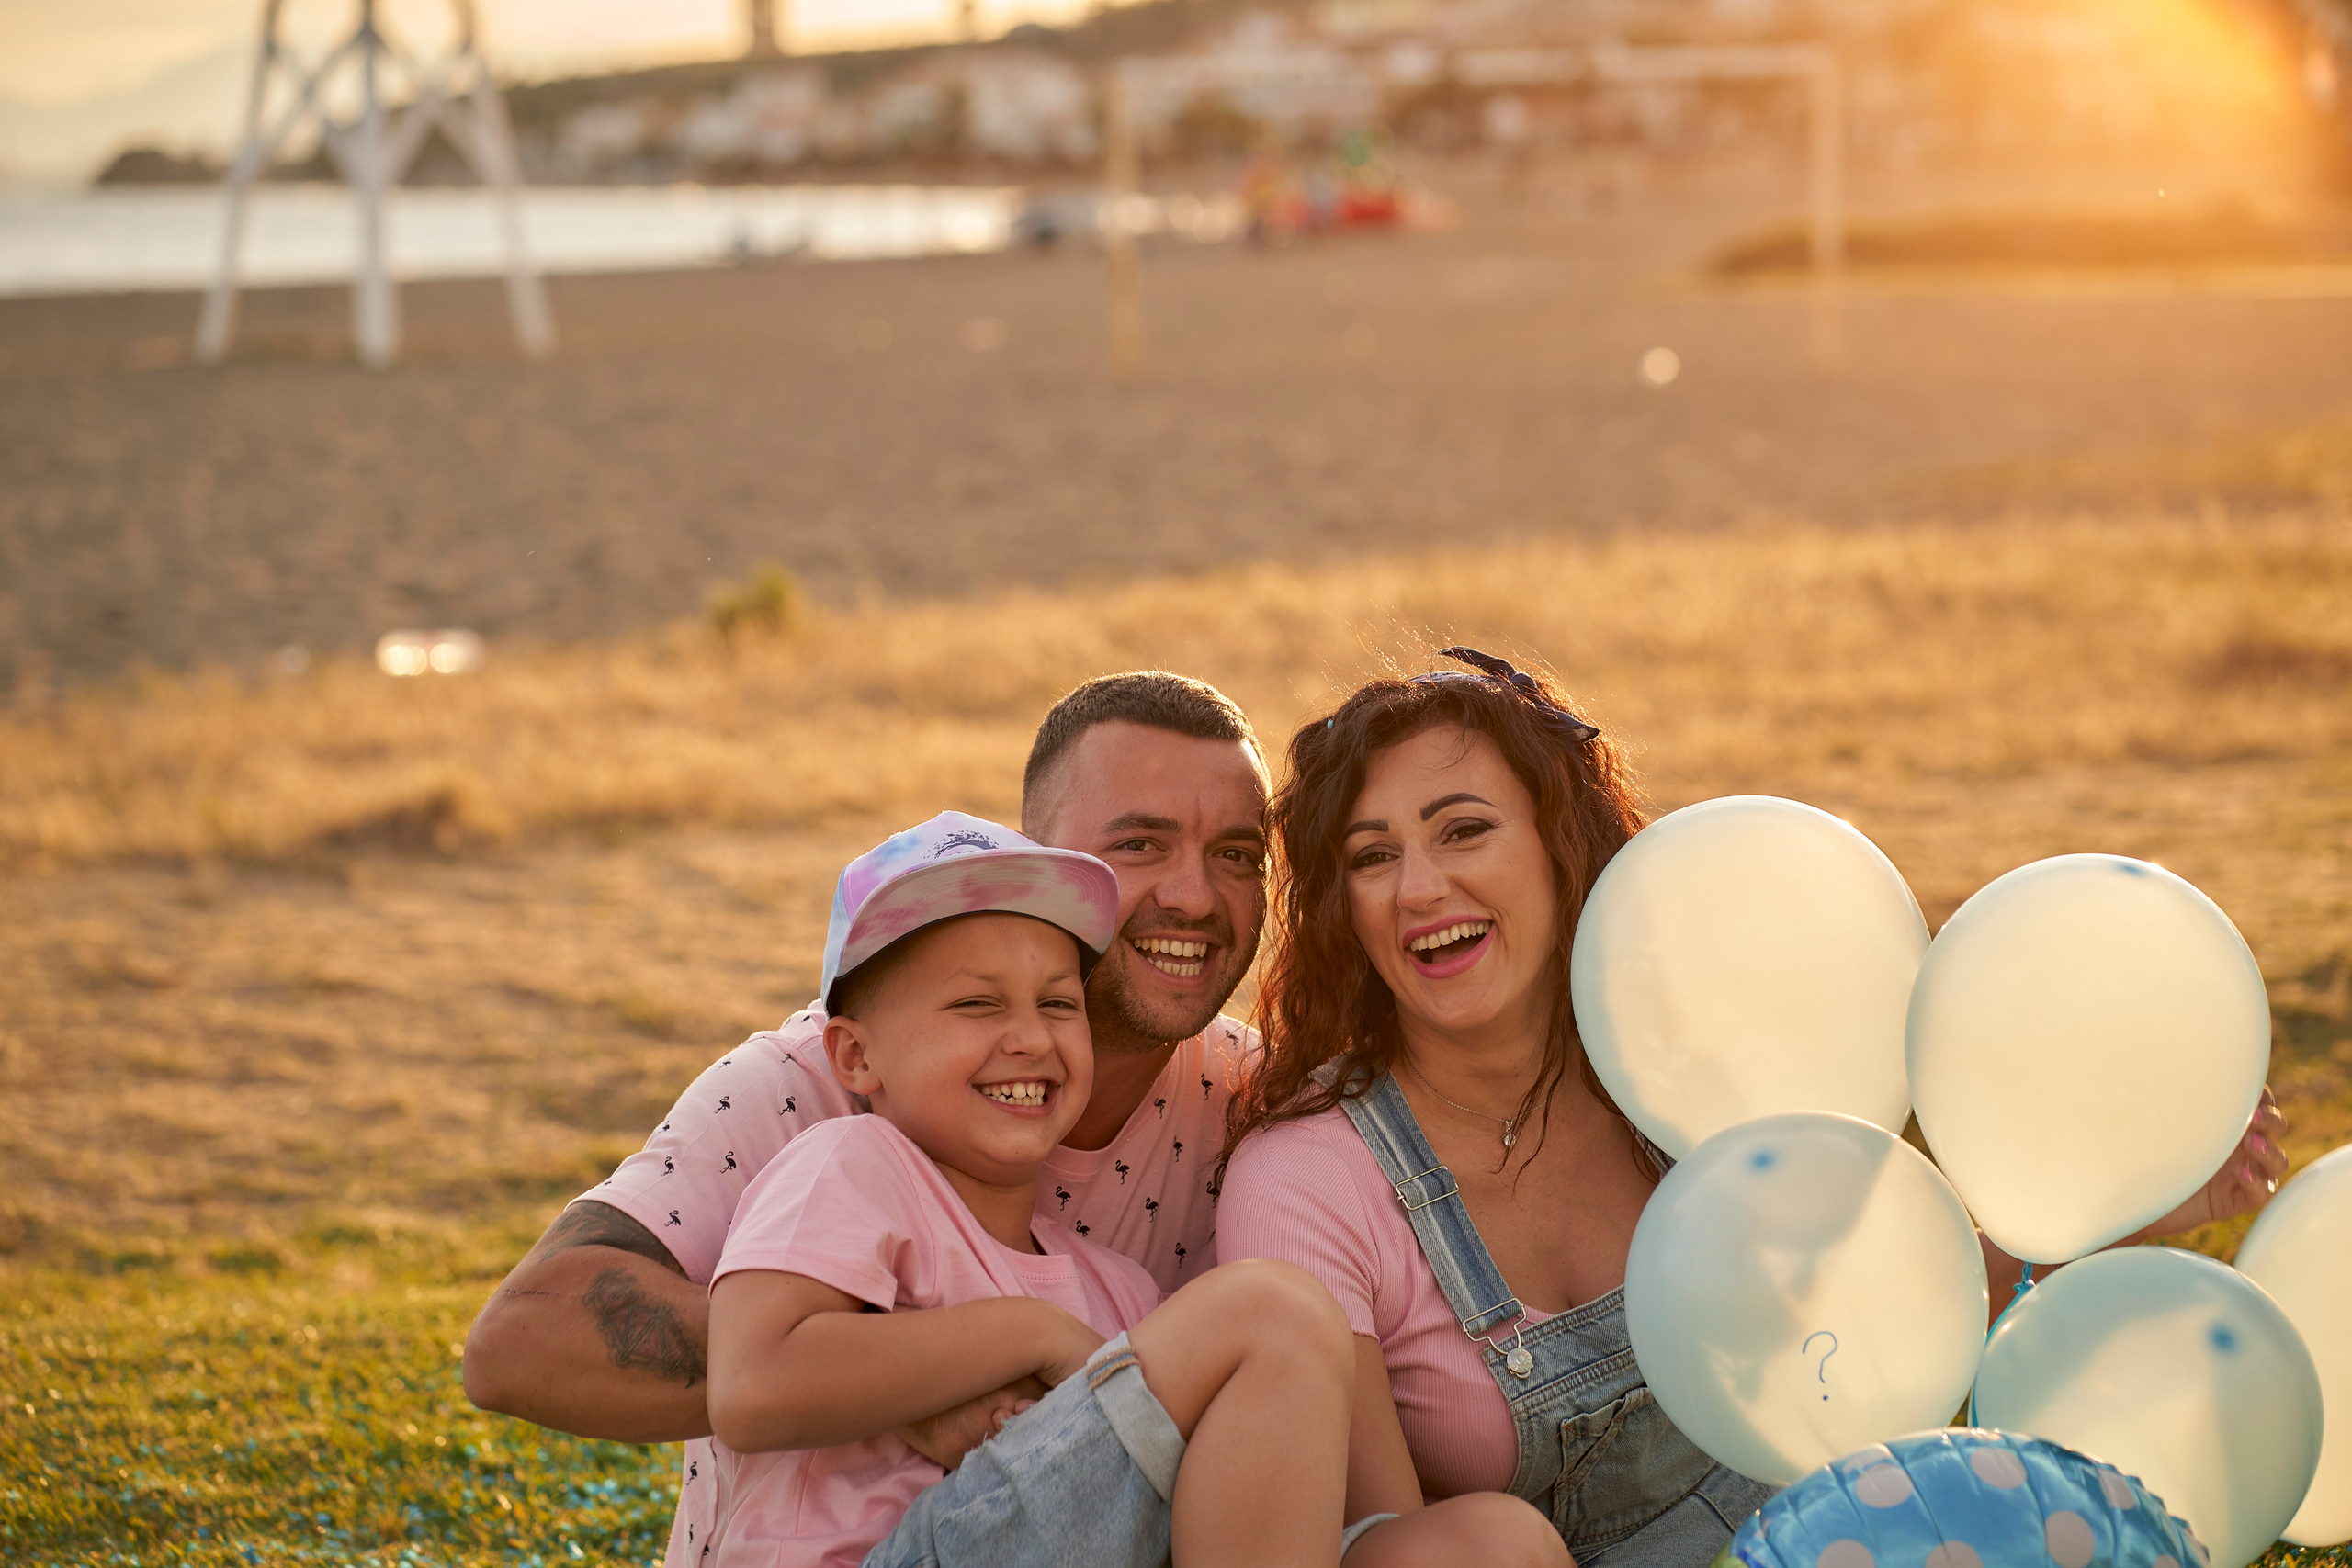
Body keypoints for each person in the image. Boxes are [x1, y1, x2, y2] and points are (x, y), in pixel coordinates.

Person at [1216, 648, 2291, 1567]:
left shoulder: (1686, 1071)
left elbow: (1889, 1312)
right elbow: (1388, 1546)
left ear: (1560, 846)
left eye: (1462, 831)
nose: (1417, 889)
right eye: (1371, 858)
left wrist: (2128, 1210)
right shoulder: (1311, 1177)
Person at [462, 674, 1275, 1541]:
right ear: (1039, 856)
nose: (1194, 894)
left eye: (1237, 854)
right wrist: (916, 1382)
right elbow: (523, 1338)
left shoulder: (1256, 1103)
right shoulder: (814, 1084)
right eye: (1142, 844)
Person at [697, 811, 1372, 1566]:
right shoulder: (853, 1165)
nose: (1029, 1036)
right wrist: (1034, 1336)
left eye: (1058, 1003)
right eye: (977, 1003)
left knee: (1485, 1536)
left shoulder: (1120, 1294)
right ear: (855, 1054)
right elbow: (750, 1385)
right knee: (1272, 1308)